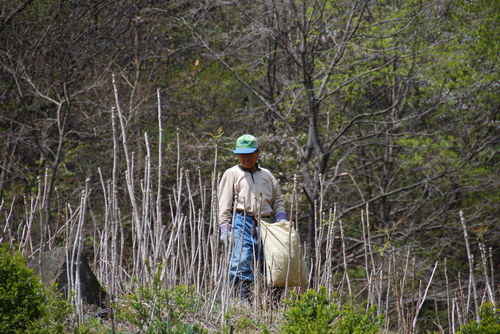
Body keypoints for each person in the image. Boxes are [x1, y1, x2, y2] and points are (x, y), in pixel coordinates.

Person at [218, 134, 288, 304]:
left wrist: (282, 219)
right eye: (241, 155)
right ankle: (243, 300)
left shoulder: (267, 175)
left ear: (258, 153)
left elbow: (278, 200)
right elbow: (224, 203)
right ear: (237, 155)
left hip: (267, 222)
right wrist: (225, 228)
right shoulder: (232, 173)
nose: (245, 158)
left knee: (274, 261)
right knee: (242, 258)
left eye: (249, 154)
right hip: (242, 219)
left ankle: (274, 302)